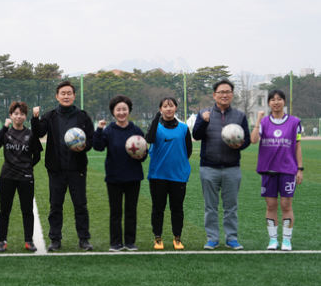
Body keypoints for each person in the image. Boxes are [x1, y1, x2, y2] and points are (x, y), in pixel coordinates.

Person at [31, 80, 94, 251]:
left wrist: (84, 146)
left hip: (77, 169)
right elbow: (39, 132)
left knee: (80, 205)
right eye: (63, 93)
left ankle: (84, 239)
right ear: (57, 96)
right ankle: (55, 240)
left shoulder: (82, 116)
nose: (66, 96)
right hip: (56, 169)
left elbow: (91, 139)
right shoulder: (50, 115)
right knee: (55, 205)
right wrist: (35, 118)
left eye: (69, 93)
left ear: (74, 96)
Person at [192, 79, 250, 250]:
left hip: (232, 168)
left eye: (227, 92)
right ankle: (212, 238)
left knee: (231, 207)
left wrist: (240, 144)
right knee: (210, 207)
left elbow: (246, 140)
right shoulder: (204, 113)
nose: (224, 95)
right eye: (221, 92)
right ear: (214, 95)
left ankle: (231, 238)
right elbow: (196, 135)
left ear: (232, 95)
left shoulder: (239, 116)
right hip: (209, 168)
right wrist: (203, 121)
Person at [250, 89, 303, 251]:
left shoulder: (294, 122)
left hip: (287, 170)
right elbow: (253, 140)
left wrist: (300, 169)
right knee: (271, 205)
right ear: (268, 103)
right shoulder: (264, 122)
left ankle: (287, 240)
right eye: (272, 99)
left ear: (284, 102)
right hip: (268, 170)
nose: (276, 102)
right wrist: (258, 120)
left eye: (279, 99)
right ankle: (273, 240)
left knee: (286, 205)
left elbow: (298, 147)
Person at [94, 95, 146, 252]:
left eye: (124, 109)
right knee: (115, 212)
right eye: (118, 110)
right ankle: (115, 243)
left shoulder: (136, 130)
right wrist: (99, 130)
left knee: (131, 211)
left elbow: (144, 154)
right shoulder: (108, 130)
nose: (122, 112)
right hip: (114, 177)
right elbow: (98, 147)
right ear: (113, 112)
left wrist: (141, 154)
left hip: (133, 177)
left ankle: (130, 242)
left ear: (129, 111)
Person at [0, 101, 43, 252]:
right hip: (7, 177)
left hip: (25, 177)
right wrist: (4, 127)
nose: (18, 116)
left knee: (27, 210)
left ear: (25, 116)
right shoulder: (6, 133)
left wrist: (27, 167)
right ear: (10, 115)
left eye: (21, 114)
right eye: (15, 114)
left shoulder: (30, 134)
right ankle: (2, 241)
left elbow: (38, 156)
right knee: (4, 210)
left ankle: (29, 241)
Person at [145, 97, 192, 250]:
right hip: (158, 175)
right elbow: (149, 139)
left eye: (171, 106)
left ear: (176, 108)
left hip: (178, 175)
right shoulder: (156, 127)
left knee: (177, 208)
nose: (168, 109)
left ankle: (177, 238)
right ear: (160, 109)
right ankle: (157, 238)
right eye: (165, 106)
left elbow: (188, 151)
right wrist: (155, 120)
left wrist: (178, 163)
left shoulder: (184, 128)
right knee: (158, 208)